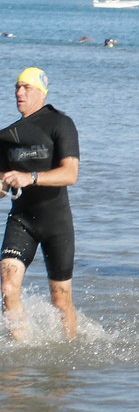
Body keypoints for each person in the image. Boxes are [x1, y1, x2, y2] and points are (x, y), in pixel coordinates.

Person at [0, 68, 81, 340]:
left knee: (60, 300)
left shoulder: (61, 124)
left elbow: (70, 174)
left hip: (56, 223)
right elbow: (1, 187)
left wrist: (30, 177)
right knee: (8, 287)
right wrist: (4, 185)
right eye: (16, 87)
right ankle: (21, 354)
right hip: (22, 220)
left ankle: (68, 358)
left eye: (26, 87)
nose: (19, 92)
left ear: (41, 92)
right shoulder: (6, 136)